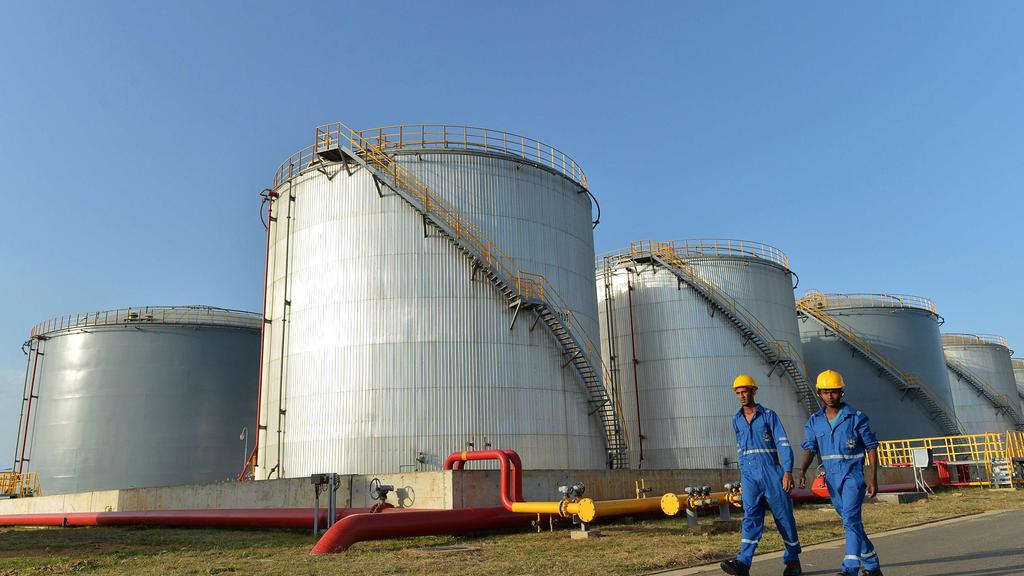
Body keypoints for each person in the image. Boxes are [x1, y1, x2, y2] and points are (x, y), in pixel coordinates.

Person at [798, 369, 883, 576]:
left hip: (853, 477)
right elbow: (810, 447)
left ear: (841, 392)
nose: (830, 396)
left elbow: (871, 447)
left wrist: (873, 478)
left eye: (834, 391)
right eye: (826, 392)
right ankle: (872, 565)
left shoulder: (856, 418)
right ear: (819, 393)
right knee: (850, 521)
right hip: (832, 480)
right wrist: (802, 471)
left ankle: (850, 568)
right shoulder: (814, 421)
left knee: (851, 520)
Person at [720, 374, 802, 576]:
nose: (741, 396)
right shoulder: (737, 420)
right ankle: (743, 563)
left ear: (754, 391)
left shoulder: (769, 416)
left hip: (772, 474)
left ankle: (793, 560)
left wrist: (787, 472)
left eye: (745, 391)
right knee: (751, 517)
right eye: (738, 393)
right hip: (750, 476)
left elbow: (783, 444)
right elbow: (741, 449)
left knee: (784, 518)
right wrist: (744, 475)